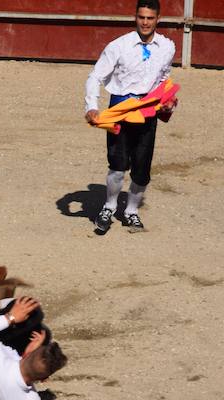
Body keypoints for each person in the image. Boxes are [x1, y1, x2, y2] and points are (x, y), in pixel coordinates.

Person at [84, 0, 177, 233]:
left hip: (148, 109)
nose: (145, 22)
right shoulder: (119, 46)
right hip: (121, 108)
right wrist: (91, 106)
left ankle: (131, 211)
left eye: (150, 18)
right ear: (135, 17)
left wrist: (168, 103)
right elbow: (95, 76)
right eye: (141, 17)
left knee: (142, 167)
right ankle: (109, 206)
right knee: (117, 165)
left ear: (158, 19)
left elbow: (164, 81)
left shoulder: (167, 47)